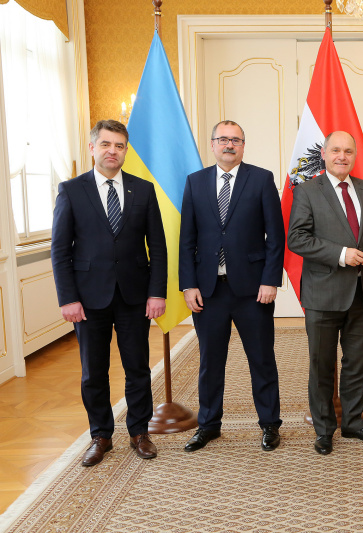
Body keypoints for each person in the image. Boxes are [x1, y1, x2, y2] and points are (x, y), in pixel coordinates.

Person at [51, 119, 167, 466]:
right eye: (105, 144)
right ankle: (100, 435)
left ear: (125, 150)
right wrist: (68, 298)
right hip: (88, 300)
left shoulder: (143, 189)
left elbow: (157, 247)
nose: (112, 151)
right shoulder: (71, 190)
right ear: (92, 148)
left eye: (119, 146)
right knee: (93, 372)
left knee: (138, 368)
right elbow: (60, 250)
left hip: (135, 295)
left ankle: (139, 432)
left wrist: (156, 292)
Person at [179, 120, 285, 453]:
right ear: (212, 145)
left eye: (236, 140)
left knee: (261, 358)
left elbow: (275, 236)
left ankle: (269, 424)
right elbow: (187, 240)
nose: (229, 145)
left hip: (253, 290)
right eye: (223, 139)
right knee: (211, 360)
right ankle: (208, 425)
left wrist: (270, 279)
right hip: (208, 290)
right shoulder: (195, 183)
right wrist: (188, 285)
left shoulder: (261, 179)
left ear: (243, 145)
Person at [288, 130, 363, 456]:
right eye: (336, 150)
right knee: (322, 364)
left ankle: (353, 422)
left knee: (357, 363)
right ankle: (324, 429)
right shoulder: (306, 191)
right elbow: (297, 239)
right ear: (325, 154)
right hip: (323, 292)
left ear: (354, 155)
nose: (342, 156)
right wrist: (341, 254)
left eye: (348, 151)